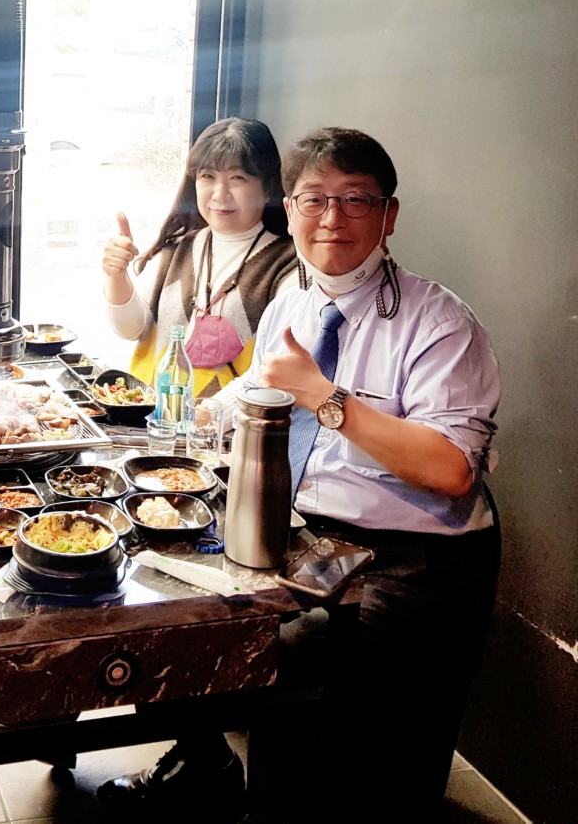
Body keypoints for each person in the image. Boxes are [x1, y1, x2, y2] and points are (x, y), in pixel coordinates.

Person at [97, 128, 501, 821]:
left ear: (388, 215)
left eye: (355, 199)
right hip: (308, 535)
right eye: (315, 199)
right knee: (156, 609)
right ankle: (210, 766)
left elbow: (451, 469)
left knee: (299, 676)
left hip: (415, 560)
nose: (332, 217)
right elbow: (258, 388)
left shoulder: (439, 322)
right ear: (291, 208)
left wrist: (325, 396)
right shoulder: (295, 303)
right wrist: (180, 427)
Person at [102, 117, 298, 396]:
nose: (220, 194)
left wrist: (211, 414)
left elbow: (278, 366)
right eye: (207, 177)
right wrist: (116, 276)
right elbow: (130, 329)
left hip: (233, 422)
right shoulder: (175, 250)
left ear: (267, 188)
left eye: (238, 178)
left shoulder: (288, 266)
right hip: (155, 417)